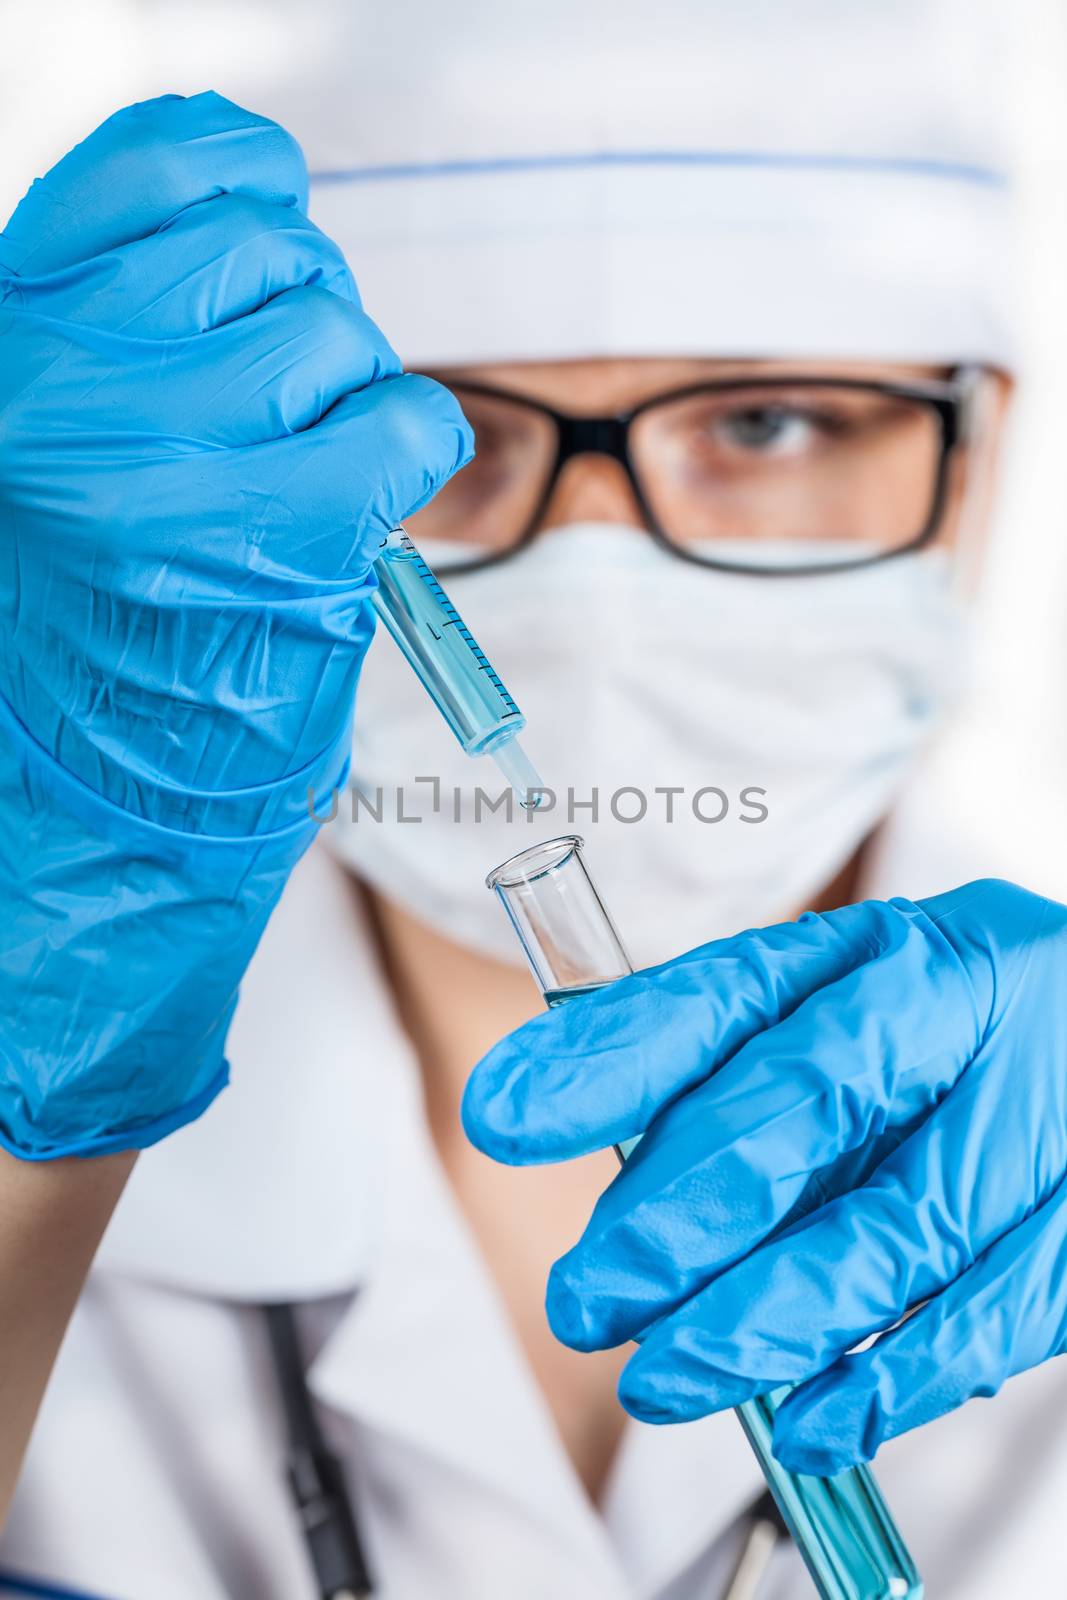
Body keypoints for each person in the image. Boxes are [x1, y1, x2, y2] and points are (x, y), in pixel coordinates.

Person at [0, 4, 1061, 1598]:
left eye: (767, 422)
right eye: (460, 434)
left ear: (972, 472)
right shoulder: (47, 1112)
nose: (600, 575)